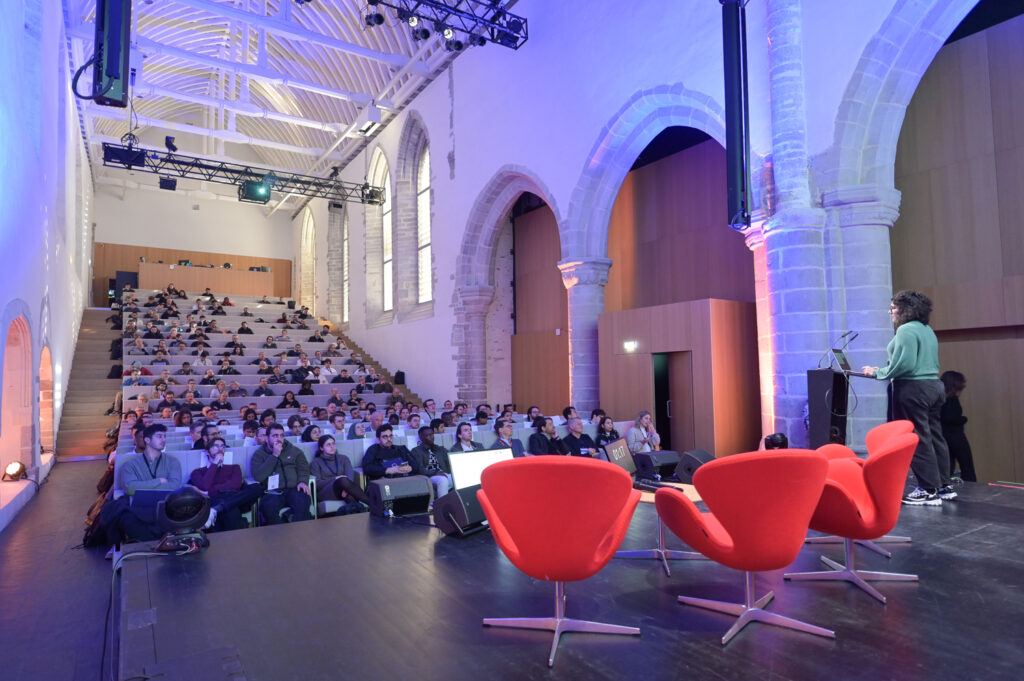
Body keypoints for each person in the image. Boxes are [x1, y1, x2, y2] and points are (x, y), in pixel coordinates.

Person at [862, 290, 954, 505]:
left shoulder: (905, 330)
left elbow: (905, 364)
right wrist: (886, 369)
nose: (890, 312)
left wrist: (877, 372)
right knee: (935, 437)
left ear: (906, 309)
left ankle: (928, 490)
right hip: (934, 386)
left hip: (913, 389)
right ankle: (944, 486)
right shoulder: (927, 329)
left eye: (893, 308)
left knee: (917, 438)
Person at [105, 424, 183, 554]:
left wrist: (141, 486)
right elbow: (130, 488)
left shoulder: (172, 461)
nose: (163, 439)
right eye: (159, 436)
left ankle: (158, 548)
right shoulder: (131, 464)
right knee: (127, 519)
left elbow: (174, 485)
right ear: (147, 440)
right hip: (139, 506)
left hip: (165, 505)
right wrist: (159, 481)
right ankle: (146, 551)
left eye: (165, 436)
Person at [188, 437, 262, 532]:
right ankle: (220, 511)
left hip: (235, 498)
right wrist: (215, 464)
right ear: (207, 452)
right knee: (231, 510)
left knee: (257, 487)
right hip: (214, 500)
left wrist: (209, 491)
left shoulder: (234, 467)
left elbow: (236, 485)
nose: (220, 449)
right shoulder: (198, 472)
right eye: (216, 446)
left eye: (222, 446)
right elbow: (204, 486)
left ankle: (216, 510)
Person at [250, 423, 313, 524]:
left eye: (281, 435)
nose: (279, 439)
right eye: (275, 436)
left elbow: (303, 468)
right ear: (267, 438)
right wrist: (274, 455)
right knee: (267, 508)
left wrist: (302, 481)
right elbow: (258, 476)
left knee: (303, 501)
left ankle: (298, 531)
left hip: (294, 489)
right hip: (273, 492)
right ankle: (282, 531)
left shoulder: (294, 451)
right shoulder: (259, 454)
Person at [310, 435, 369, 514]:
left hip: (345, 489)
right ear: (321, 448)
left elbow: (350, 476)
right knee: (342, 480)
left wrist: (345, 489)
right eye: (328, 445)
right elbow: (317, 484)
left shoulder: (343, 458)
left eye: (333, 443)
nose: (332, 447)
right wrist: (335, 479)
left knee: (350, 496)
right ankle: (373, 505)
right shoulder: (316, 462)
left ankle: (360, 516)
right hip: (325, 492)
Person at [940, 370, 976, 482]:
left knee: (948, 466)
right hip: (956, 436)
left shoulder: (939, 400)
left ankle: (945, 486)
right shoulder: (952, 400)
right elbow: (950, 418)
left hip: (943, 436)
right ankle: (971, 488)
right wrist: (964, 419)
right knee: (967, 466)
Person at [409, 427, 453, 498]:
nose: (431, 437)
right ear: (421, 437)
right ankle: (442, 503)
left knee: (458, 477)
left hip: (443, 474)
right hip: (428, 476)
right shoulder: (416, 451)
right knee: (443, 480)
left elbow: (451, 459)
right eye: (427, 435)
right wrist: (435, 473)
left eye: (432, 434)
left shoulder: (439, 449)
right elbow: (419, 469)